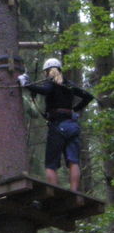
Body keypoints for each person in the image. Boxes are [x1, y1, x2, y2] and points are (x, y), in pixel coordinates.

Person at [18, 58, 94, 191]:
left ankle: (54, 191)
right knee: (73, 161)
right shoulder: (68, 84)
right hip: (72, 125)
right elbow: (88, 96)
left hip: (58, 126)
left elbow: (46, 90)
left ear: (47, 72)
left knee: (51, 164)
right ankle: (74, 191)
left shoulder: (51, 83)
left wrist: (26, 83)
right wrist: (75, 109)